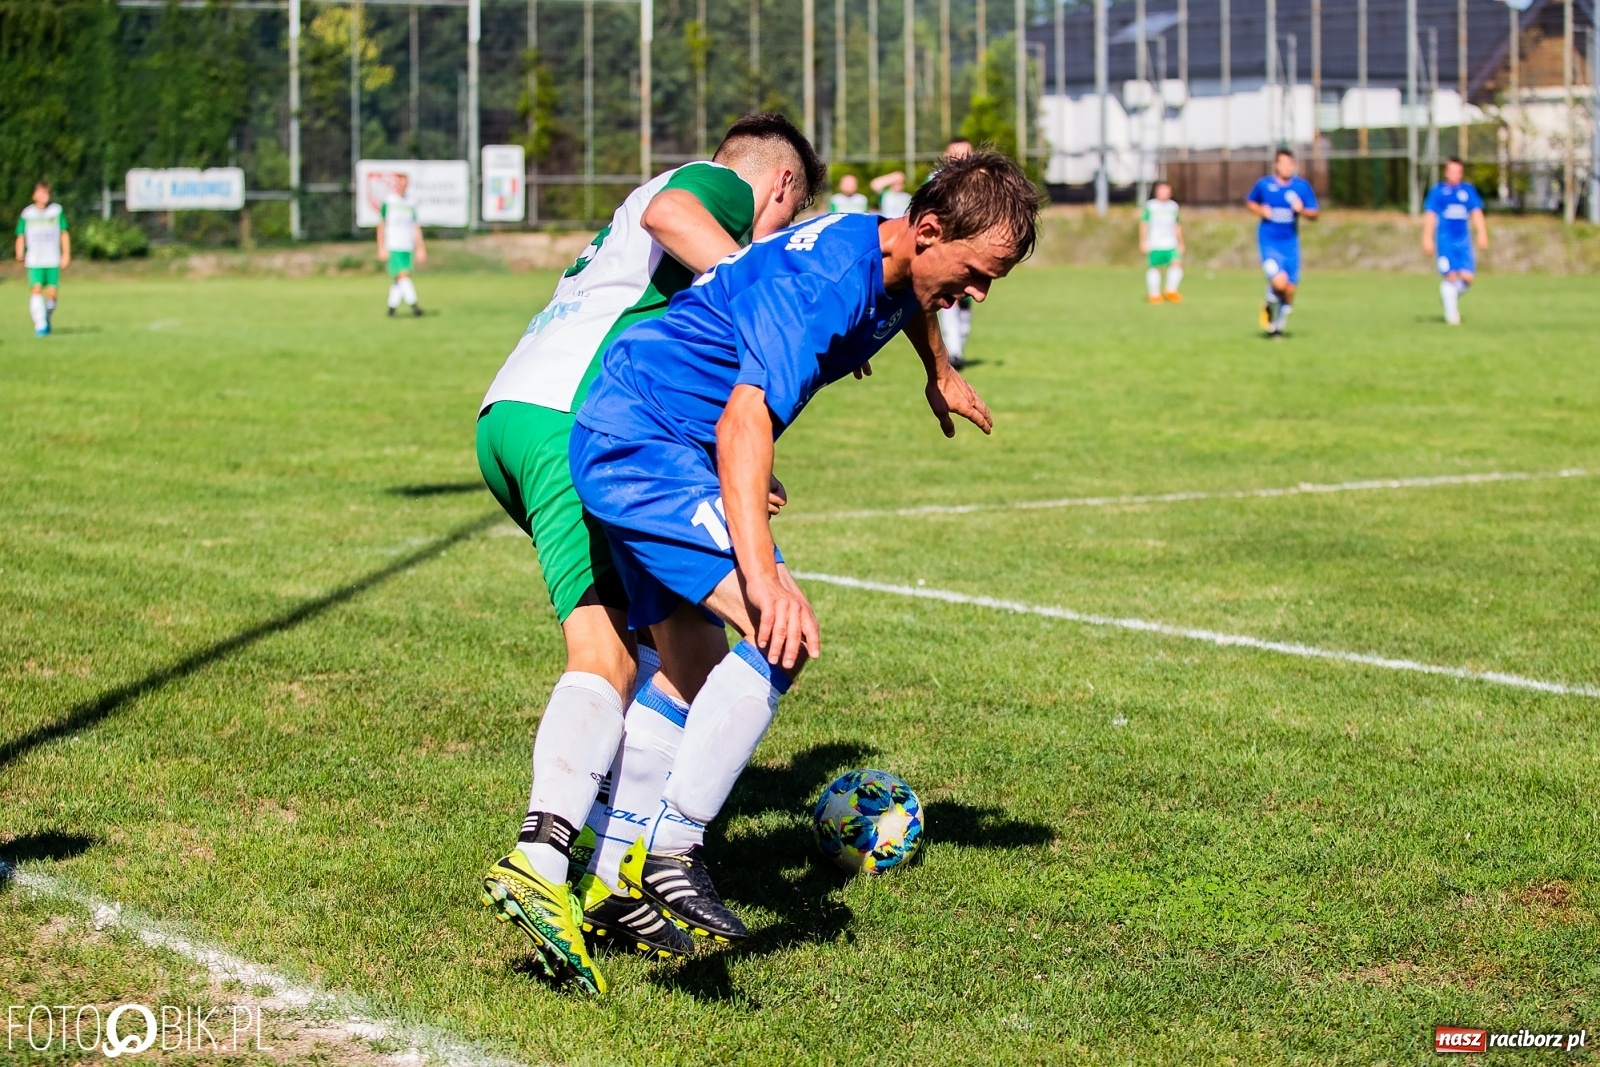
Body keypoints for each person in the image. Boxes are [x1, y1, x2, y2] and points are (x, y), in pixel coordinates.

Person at [568, 150, 1038, 950]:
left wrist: (939, 369)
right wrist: (764, 576)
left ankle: (610, 884)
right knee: (780, 631)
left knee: (688, 667)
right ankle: (674, 848)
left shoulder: (889, 255)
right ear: (927, 230)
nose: (981, 293)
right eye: (978, 271)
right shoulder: (822, 289)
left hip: (640, 425)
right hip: (646, 442)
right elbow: (743, 419)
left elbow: (908, 300)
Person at [475, 114, 827, 996]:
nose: (772, 235)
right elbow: (678, 210)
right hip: (570, 423)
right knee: (605, 654)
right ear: (778, 186)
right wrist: (761, 283)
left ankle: (613, 880)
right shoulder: (721, 185)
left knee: (688, 651)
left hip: (526, 417)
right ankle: (540, 857)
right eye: (782, 220)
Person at [1246, 148, 1319, 336]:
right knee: (1279, 283)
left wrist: (1302, 210)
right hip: (1269, 243)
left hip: (1291, 244)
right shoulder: (1264, 185)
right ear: (1276, 165)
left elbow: (1314, 214)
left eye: (1290, 164)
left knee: (1290, 290)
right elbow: (1250, 202)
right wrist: (1260, 211)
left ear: (1294, 165)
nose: (1286, 167)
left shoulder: (1301, 187)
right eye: (1283, 163)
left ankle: (1277, 326)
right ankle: (1270, 304)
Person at [1422, 157, 1489, 326]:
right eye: (1451, 171)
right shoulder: (1438, 192)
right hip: (1445, 242)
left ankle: (1448, 296)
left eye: (1458, 172)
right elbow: (1431, 216)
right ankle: (1451, 315)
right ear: (1446, 172)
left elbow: (1476, 212)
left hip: (1463, 241)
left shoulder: (1467, 191)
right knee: (1450, 276)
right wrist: (1427, 237)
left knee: (1467, 278)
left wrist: (1482, 233)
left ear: (1461, 173)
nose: (1454, 175)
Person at [933, 138, 976, 366]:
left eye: (966, 153)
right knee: (951, 298)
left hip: (973, 249)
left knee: (968, 300)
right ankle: (954, 351)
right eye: (956, 154)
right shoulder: (936, 181)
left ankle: (959, 344)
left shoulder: (981, 181)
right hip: (946, 248)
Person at [15, 182, 69, 337]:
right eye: (40, 193)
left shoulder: (56, 211)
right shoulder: (28, 213)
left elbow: (64, 233)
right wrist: (19, 249)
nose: (43, 196)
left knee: (52, 294)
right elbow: (21, 233)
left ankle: (46, 318)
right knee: (36, 289)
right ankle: (40, 324)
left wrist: (66, 254)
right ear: (34, 195)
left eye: (45, 193)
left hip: (52, 258)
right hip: (35, 259)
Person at [376, 174, 425, 316]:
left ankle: (391, 309)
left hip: (407, 245)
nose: (402, 186)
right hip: (393, 244)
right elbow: (381, 225)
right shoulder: (388, 202)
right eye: (400, 183)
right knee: (403, 276)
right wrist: (381, 247)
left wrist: (420, 247)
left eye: (405, 183)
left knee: (401, 277)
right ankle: (415, 306)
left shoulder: (410, 203)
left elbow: (415, 226)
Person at [1139, 180, 1184, 304]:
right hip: (1155, 242)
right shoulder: (1150, 206)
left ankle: (1171, 291)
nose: (1164, 193)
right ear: (1157, 192)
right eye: (1161, 190)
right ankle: (1154, 294)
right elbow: (1144, 224)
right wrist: (1143, 241)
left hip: (1171, 242)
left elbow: (1176, 225)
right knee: (1156, 267)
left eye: (1167, 191)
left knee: (1177, 263)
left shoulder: (1173, 206)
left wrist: (1181, 242)